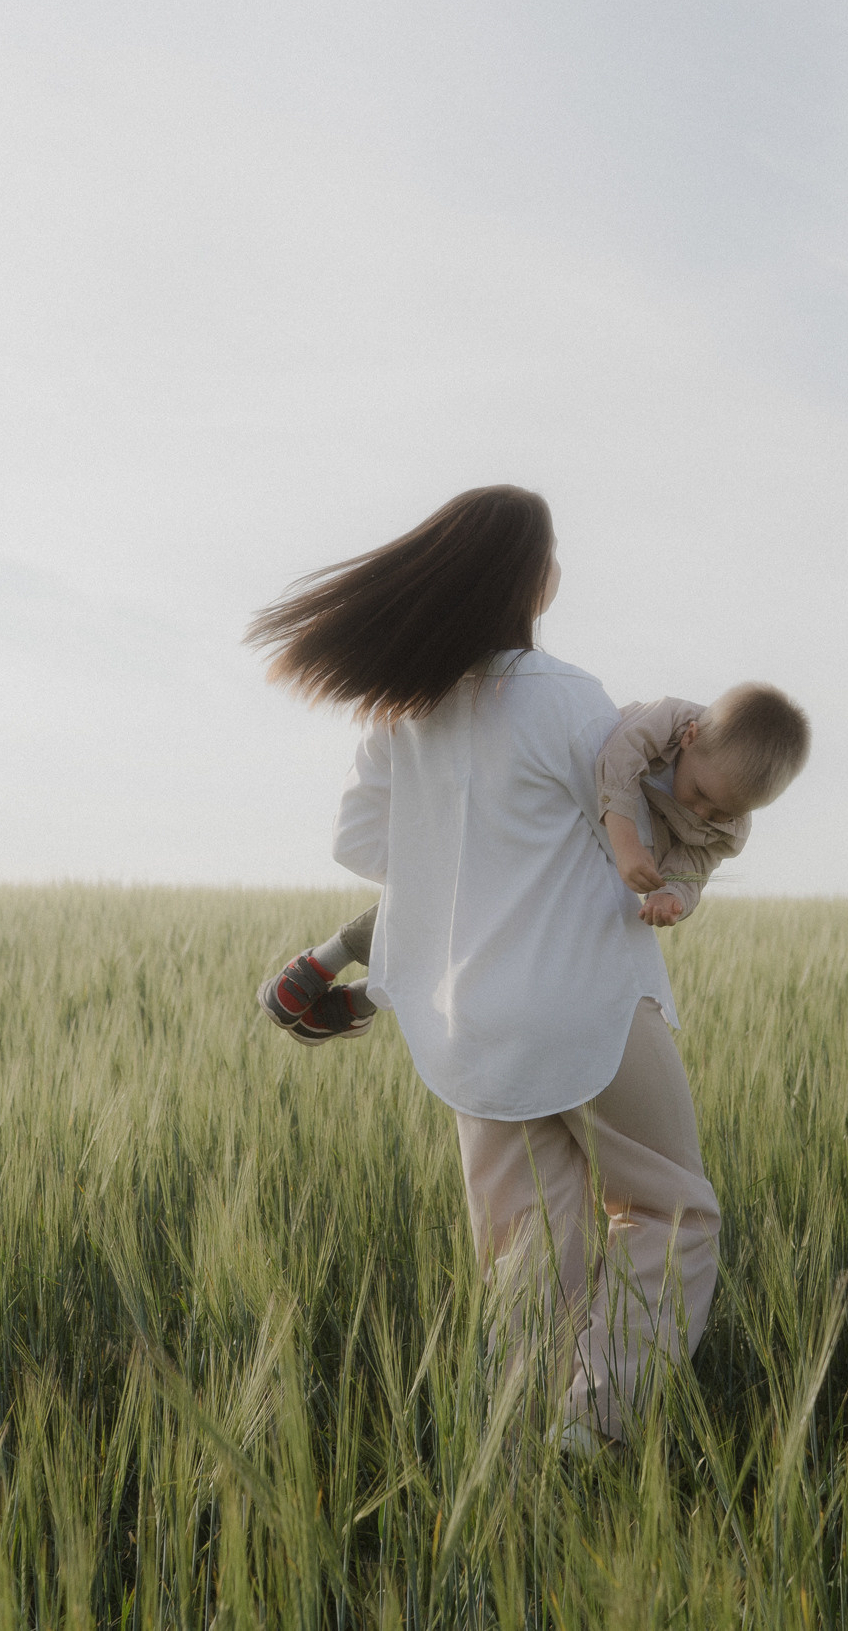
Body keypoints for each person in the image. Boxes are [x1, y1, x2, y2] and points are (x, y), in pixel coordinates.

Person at [245, 484, 732, 1453]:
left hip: (465, 1019)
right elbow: (644, 838)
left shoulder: (402, 719)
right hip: (584, 1007)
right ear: (535, 583)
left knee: (526, 1250)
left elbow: (373, 847)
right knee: (672, 1213)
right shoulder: (574, 705)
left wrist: (364, 935)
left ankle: (510, 1459)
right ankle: (592, 1428)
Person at [259, 684, 811, 1041]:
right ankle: (326, 958)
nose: (703, 810)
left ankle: (367, 999)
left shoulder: (727, 824)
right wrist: (627, 841)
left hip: (593, 877)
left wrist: (675, 900)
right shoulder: (665, 720)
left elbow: (695, 865)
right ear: (691, 738)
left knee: (502, 951)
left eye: (724, 811)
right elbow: (616, 761)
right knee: (449, 888)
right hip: (559, 823)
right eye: (700, 792)